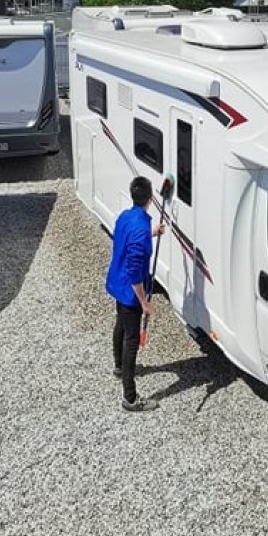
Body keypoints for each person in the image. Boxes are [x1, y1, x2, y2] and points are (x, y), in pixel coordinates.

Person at [106, 175, 165, 413]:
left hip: (117, 284)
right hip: (130, 292)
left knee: (120, 324)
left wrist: (152, 232)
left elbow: (128, 238)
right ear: (150, 198)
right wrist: (144, 303)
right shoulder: (140, 228)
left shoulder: (125, 216)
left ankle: (119, 367)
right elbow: (134, 272)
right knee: (132, 341)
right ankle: (130, 398)